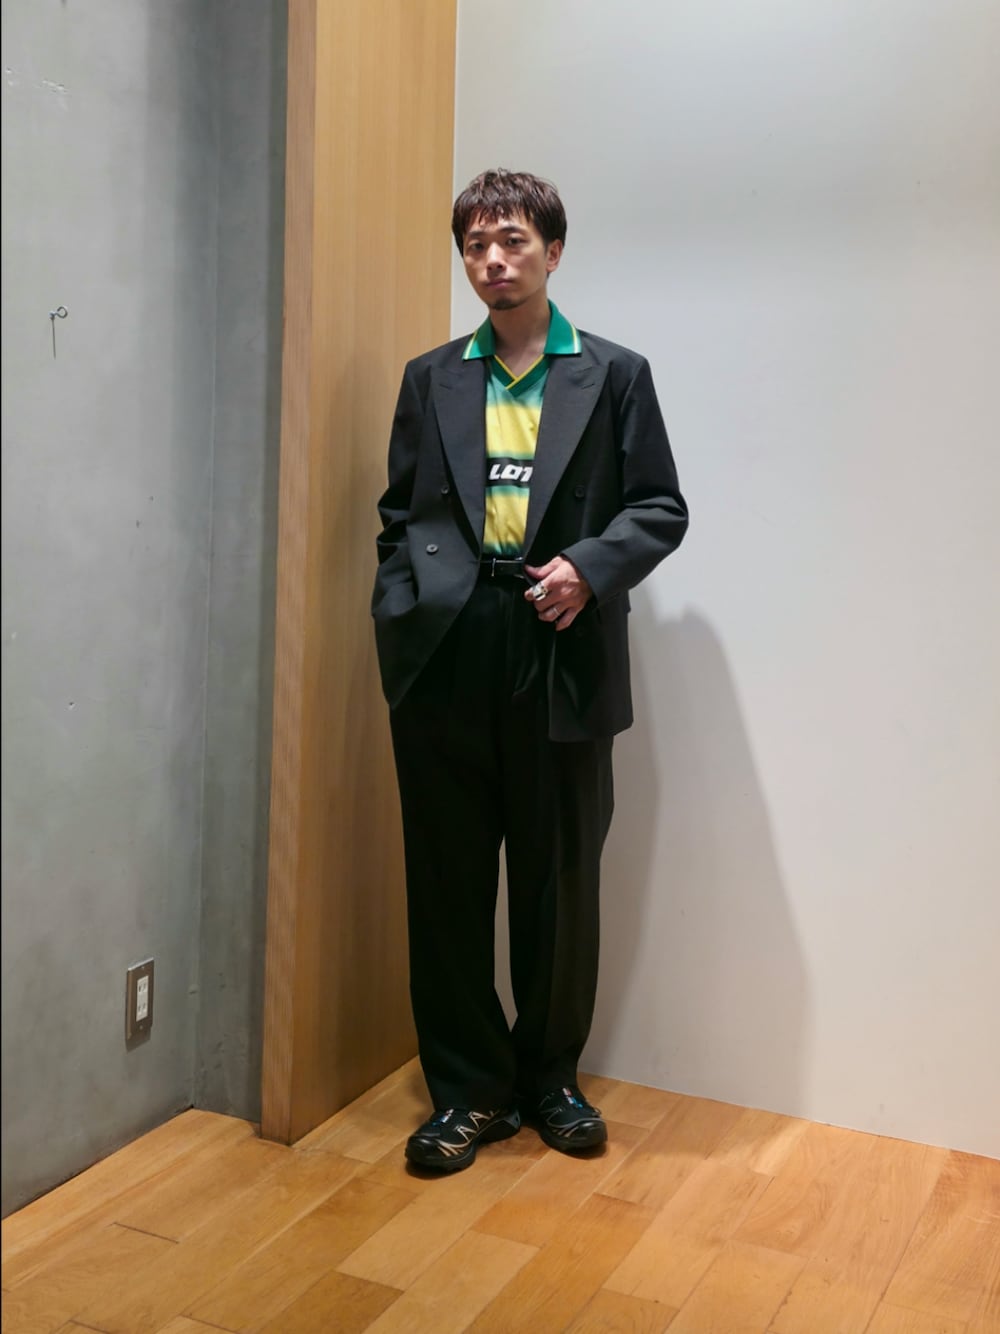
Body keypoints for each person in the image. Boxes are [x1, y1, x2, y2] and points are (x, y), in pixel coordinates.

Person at [372, 169, 688, 1173]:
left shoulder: (614, 373)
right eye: (475, 245)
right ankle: (468, 1091)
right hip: (446, 650)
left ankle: (551, 1079)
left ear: (553, 250)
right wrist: (401, 607)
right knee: (447, 881)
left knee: (559, 879)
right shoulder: (432, 377)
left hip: (560, 644)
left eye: (510, 240)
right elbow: (399, 516)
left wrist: (589, 569)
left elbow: (659, 506)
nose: (492, 260)